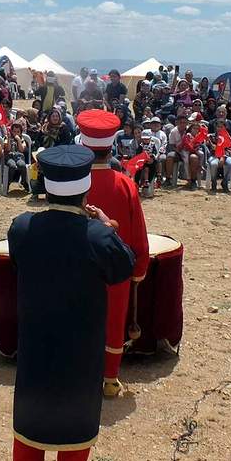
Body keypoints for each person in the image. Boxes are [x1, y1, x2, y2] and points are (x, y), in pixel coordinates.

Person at [8, 145, 135, 461]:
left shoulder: (21, 228)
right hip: (79, 359)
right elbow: (124, 266)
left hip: (36, 353)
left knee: (28, 440)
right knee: (75, 441)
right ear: (86, 189)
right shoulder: (98, 237)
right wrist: (109, 226)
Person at [78, 110, 150, 398]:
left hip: (80, 266)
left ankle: (81, 374)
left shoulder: (73, 182)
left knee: (82, 318)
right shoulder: (125, 184)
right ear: (111, 148)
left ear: (83, 145)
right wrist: (139, 268)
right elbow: (138, 232)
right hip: (117, 266)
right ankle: (109, 379)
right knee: (113, 319)